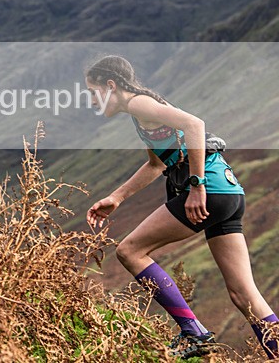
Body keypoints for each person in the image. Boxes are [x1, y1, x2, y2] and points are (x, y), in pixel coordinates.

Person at [84, 55, 277, 359]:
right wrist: (118, 197)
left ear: (111, 85)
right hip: (228, 192)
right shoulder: (141, 112)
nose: (92, 101)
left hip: (209, 190)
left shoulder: (138, 103)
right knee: (243, 294)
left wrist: (196, 185)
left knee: (129, 251)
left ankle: (194, 332)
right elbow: (156, 163)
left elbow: (194, 124)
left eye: (93, 92)